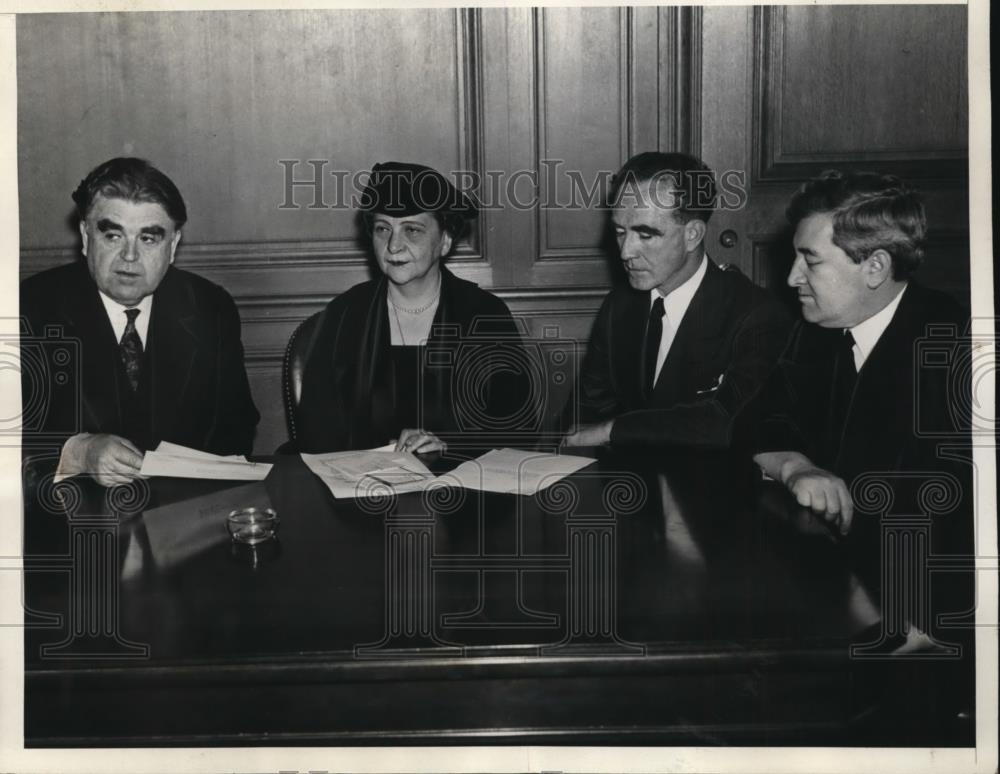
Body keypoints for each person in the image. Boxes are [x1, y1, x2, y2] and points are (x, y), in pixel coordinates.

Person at [750, 170, 970, 535]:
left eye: (811, 261)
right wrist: (795, 467)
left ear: (875, 267)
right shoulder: (814, 330)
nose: (792, 278)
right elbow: (762, 418)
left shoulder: (953, 349)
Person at [20, 157, 260, 487]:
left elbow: (236, 430)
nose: (130, 257)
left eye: (149, 238)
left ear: (173, 245)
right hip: (72, 520)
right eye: (113, 236)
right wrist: (76, 454)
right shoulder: (28, 308)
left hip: (183, 518)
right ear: (86, 236)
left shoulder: (210, 306)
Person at [294, 161, 534, 454]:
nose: (393, 246)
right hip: (361, 490)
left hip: (459, 489)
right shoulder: (344, 315)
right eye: (383, 229)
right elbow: (316, 433)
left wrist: (450, 447)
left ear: (445, 241)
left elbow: (519, 431)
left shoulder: (484, 315)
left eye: (412, 230)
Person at [560, 152, 790, 449]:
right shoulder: (620, 306)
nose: (625, 252)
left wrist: (613, 430)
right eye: (619, 232)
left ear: (693, 234)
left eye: (646, 234)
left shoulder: (757, 315)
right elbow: (583, 415)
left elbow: (731, 424)